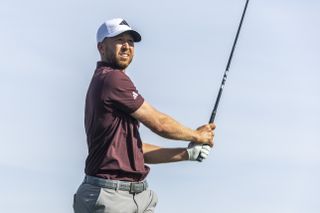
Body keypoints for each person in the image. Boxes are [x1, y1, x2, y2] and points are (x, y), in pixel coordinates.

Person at [73, 18, 216, 213]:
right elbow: (159, 124)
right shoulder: (112, 78)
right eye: (119, 40)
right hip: (110, 197)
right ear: (101, 47)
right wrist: (197, 135)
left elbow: (137, 150)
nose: (126, 46)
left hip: (137, 197)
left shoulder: (109, 80)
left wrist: (188, 153)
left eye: (130, 42)